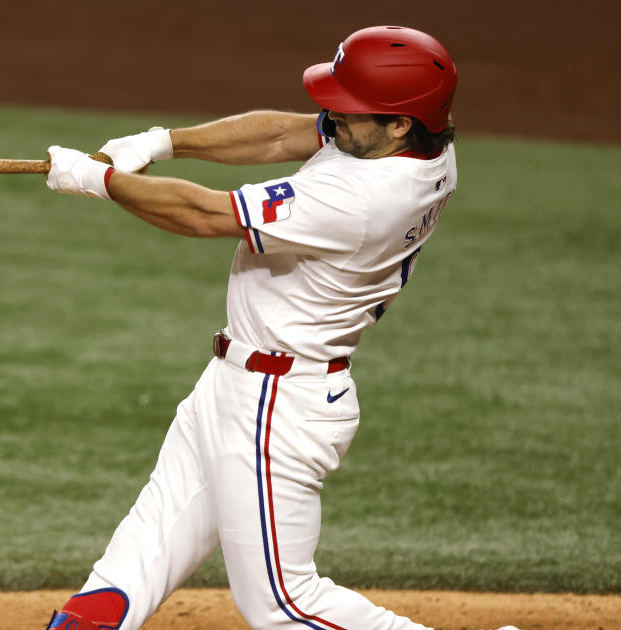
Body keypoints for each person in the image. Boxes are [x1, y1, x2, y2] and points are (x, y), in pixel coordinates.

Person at [41, 26, 518, 630]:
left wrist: (99, 181)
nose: (331, 116)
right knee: (133, 564)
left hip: (278, 404)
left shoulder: (367, 196)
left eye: (349, 109)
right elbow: (280, 132)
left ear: (399, 122)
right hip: (236, 387)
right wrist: (157, 143)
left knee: (283, 606)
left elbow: (203, 214)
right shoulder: (410, 141)